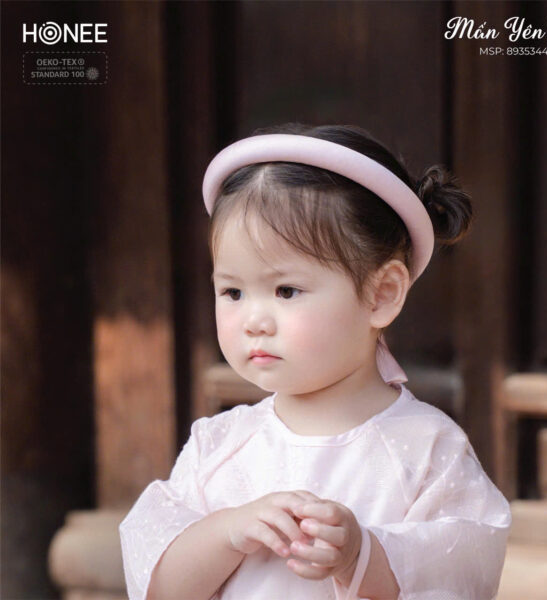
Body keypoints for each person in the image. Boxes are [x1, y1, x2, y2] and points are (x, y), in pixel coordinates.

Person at [119, 123, 512, 600]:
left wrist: (361, 554)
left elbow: (461, 571)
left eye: (286, 290)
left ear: (382, 294)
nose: (254, 321)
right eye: (233, 292)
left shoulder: (426, 449)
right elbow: (157, 583)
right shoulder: (218, 446)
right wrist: (227, 532)